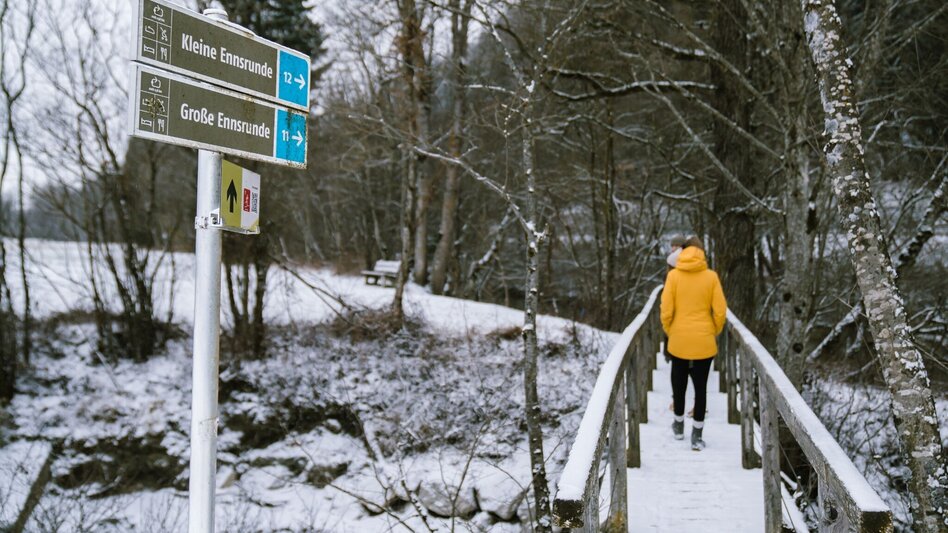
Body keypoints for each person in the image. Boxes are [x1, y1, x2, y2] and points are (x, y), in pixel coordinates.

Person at [660, 236, 727, 451]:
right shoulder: (711, 277)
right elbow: (720, 312)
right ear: (702, 255)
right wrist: (712, 331)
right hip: (704, 342)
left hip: (678, 340)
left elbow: (666, 311)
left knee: (678, 385)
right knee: (700, 389)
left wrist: (671, 332)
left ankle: (678, 427)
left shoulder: (674, 277)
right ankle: (696, 436)